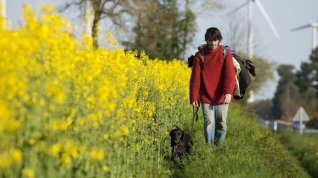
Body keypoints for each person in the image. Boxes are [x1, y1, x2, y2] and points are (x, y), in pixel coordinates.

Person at [189, 27, 235, 145]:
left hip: (222, 96)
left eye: (216, 40)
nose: (213, 43)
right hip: (205, 96)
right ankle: (209, 149)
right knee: (208, 122)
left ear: (219, 40)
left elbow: (229, 75)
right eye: (211, 40)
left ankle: (218, 148)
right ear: (207, 40)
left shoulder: (225, 53)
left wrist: (228, 92)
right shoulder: (200, 56)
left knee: (222, 123)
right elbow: (195, 78)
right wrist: (194, 97)